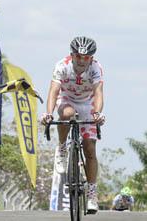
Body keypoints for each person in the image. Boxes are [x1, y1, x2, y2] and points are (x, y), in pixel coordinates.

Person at [41, 36, 105, 213]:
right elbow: (53, 92)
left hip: (87, 103)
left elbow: (98, 93)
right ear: (72, 55)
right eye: (78, 56)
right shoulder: (62, 65)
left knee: (90, 149)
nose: (82, 60)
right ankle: (62, 147)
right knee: (68, 114)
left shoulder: (96, 68)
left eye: (86, 57)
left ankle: (92, 193)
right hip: (66, 99)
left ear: (91, 58)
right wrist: (48, 113)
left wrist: (97, 114)